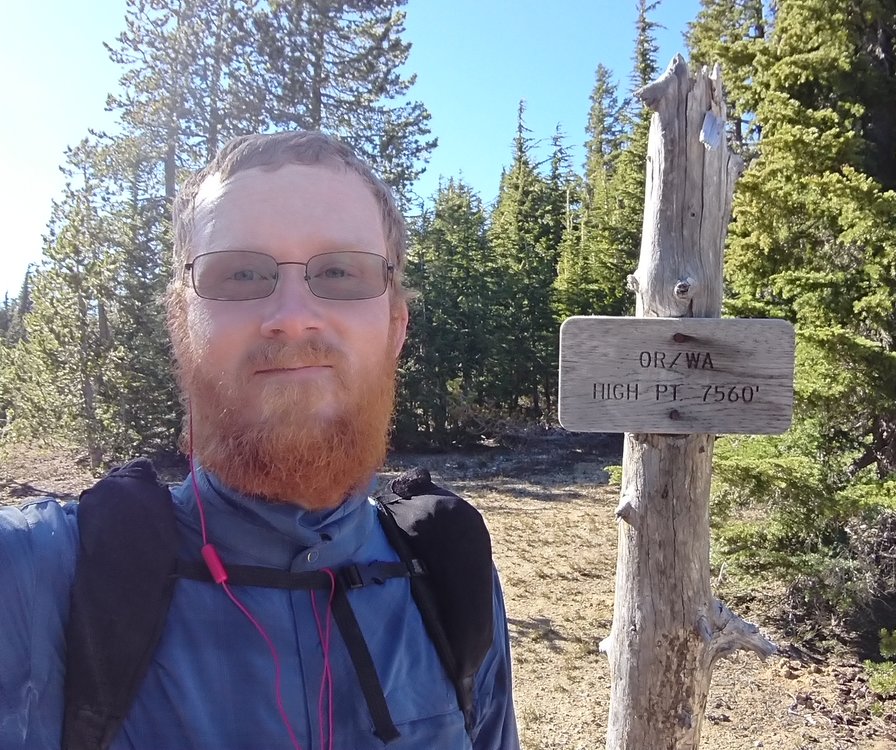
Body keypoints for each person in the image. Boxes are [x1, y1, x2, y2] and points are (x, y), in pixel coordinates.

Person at [0, 131, 520, 750]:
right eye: (241, 273)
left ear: (396, 326)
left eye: (342, 272)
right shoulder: (41, 578)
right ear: (180, 325)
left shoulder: (451, 574)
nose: (293, 314)